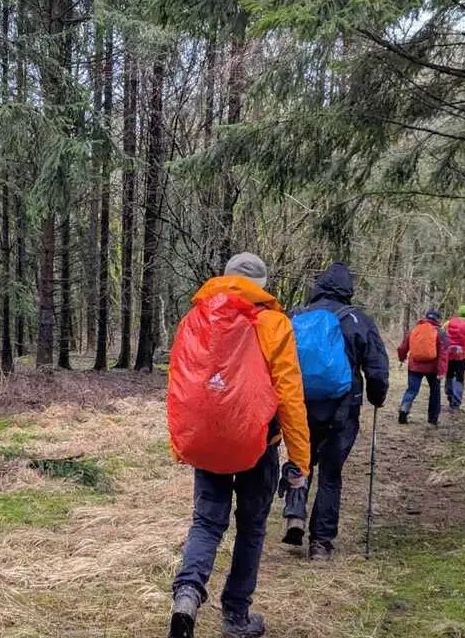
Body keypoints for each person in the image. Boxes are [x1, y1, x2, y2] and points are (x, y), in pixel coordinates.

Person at [169, 252, 311, 638]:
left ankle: (187, 594)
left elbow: (183, 383)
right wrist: (300, 458)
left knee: (206, 522)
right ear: (261, 285)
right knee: (251, 528)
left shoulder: (196, 318)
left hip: (209, 440)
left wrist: (183, 440)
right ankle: (235, 617)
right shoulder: (273, 323)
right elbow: (290, 395)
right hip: (257, 442)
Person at [283, 263, 389, 560]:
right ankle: (321, 543)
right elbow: (377, 368)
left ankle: (295, 514)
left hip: (299, 406)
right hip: (343, 410)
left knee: (300, 460)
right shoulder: (358, 320)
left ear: (317, 286)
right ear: (348, 290)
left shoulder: (296, 316)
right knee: (331, 474)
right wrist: (376, 397)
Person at [397, 308, 449, 425]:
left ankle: (403, 411)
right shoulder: (441, 332)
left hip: (414, 366)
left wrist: (402, 358)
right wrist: (442, 371)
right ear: (438, 319)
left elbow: (402, 347)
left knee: (411, 390)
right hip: (433, 368)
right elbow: (444, 354)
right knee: (435, 392)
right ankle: (433, 418)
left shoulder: (415, 329)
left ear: (426, 317)